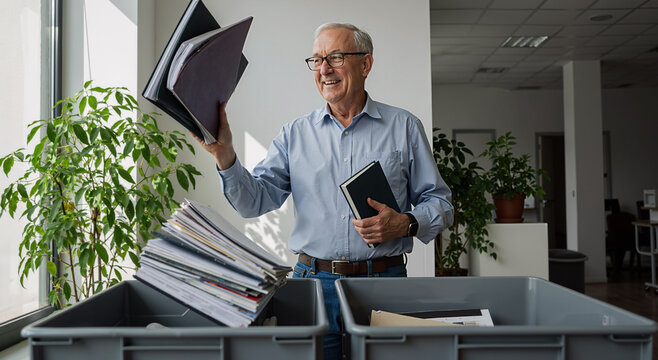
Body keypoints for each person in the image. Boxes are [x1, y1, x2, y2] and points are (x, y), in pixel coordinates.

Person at [194, 22, 453, 360]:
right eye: (316, 60)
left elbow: (441, 204)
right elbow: (254, 201)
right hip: (313, 285)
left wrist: (405, 223)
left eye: (335, 57)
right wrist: (224, 155)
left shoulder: (404, 127)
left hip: (385, 282)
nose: (324, 69)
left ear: (366, 64)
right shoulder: (294, 134)